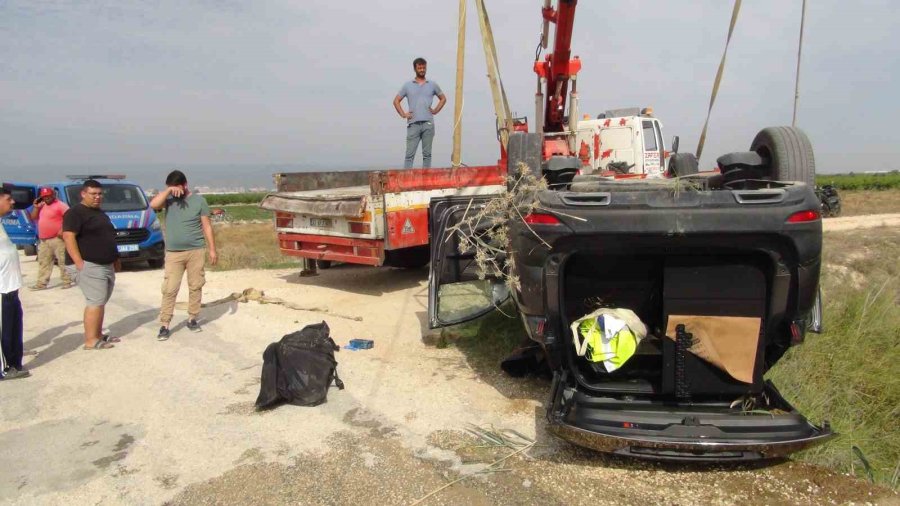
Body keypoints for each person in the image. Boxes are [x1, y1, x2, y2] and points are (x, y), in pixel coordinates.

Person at [149, 170, 218, 341]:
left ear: (185, 185)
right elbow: (153, 205)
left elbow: (207, 226)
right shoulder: (169, 201)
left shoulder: (199, 201)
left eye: (177, 187)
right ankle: (165, 324)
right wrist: (167, 192)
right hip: (174, 253)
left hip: (196, 250)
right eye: (170, 187)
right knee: (170, 289)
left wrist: (212, 249)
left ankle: (192, 318)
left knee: (196, 285)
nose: (175, 191)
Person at [62, 179, 121, 350]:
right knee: (95, 301)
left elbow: (108, 237)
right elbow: (68, 236)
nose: (97, 197)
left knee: (100, 300)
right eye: (93, 194)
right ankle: (90, 340)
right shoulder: (75, 213)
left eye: (100, 194)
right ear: (83, 194)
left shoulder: (99, 213)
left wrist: (115, 258)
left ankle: (98, 334)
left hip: (105, 264)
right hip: (90, 264)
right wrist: (80, 263)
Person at [393, 57, 446, 169]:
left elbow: (443, 98)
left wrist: (435, 110)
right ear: (415, 69)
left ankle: (425, 180)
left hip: (428, 124)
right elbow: (396, 101)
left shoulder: (432, 84)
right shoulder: (407, 85)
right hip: (413, 124)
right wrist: (403, 114)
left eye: (424, 67)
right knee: (409, 155)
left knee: (427, 155)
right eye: (419, 67)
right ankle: (406, 181)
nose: (422, 69)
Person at [0, 185, 30, 379]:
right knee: (4, 331)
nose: (12, 202)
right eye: (8, 199)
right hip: (2, 289)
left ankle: (14, 364)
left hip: (10, 288)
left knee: (13, 328)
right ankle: (4, 369)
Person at [29, 187, 73, 290]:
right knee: (44, 262)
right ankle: (41, 284)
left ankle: (67, 281)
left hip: (57, 239)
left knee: (62, 260)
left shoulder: (61, 205)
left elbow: (70, 217)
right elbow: (34, 217)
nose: (46, 198)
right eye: (44, 196)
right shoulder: (41, 206)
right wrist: (35, 207)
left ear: (53, 195)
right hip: (44, 240)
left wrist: (62, 230)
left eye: (48, 196)